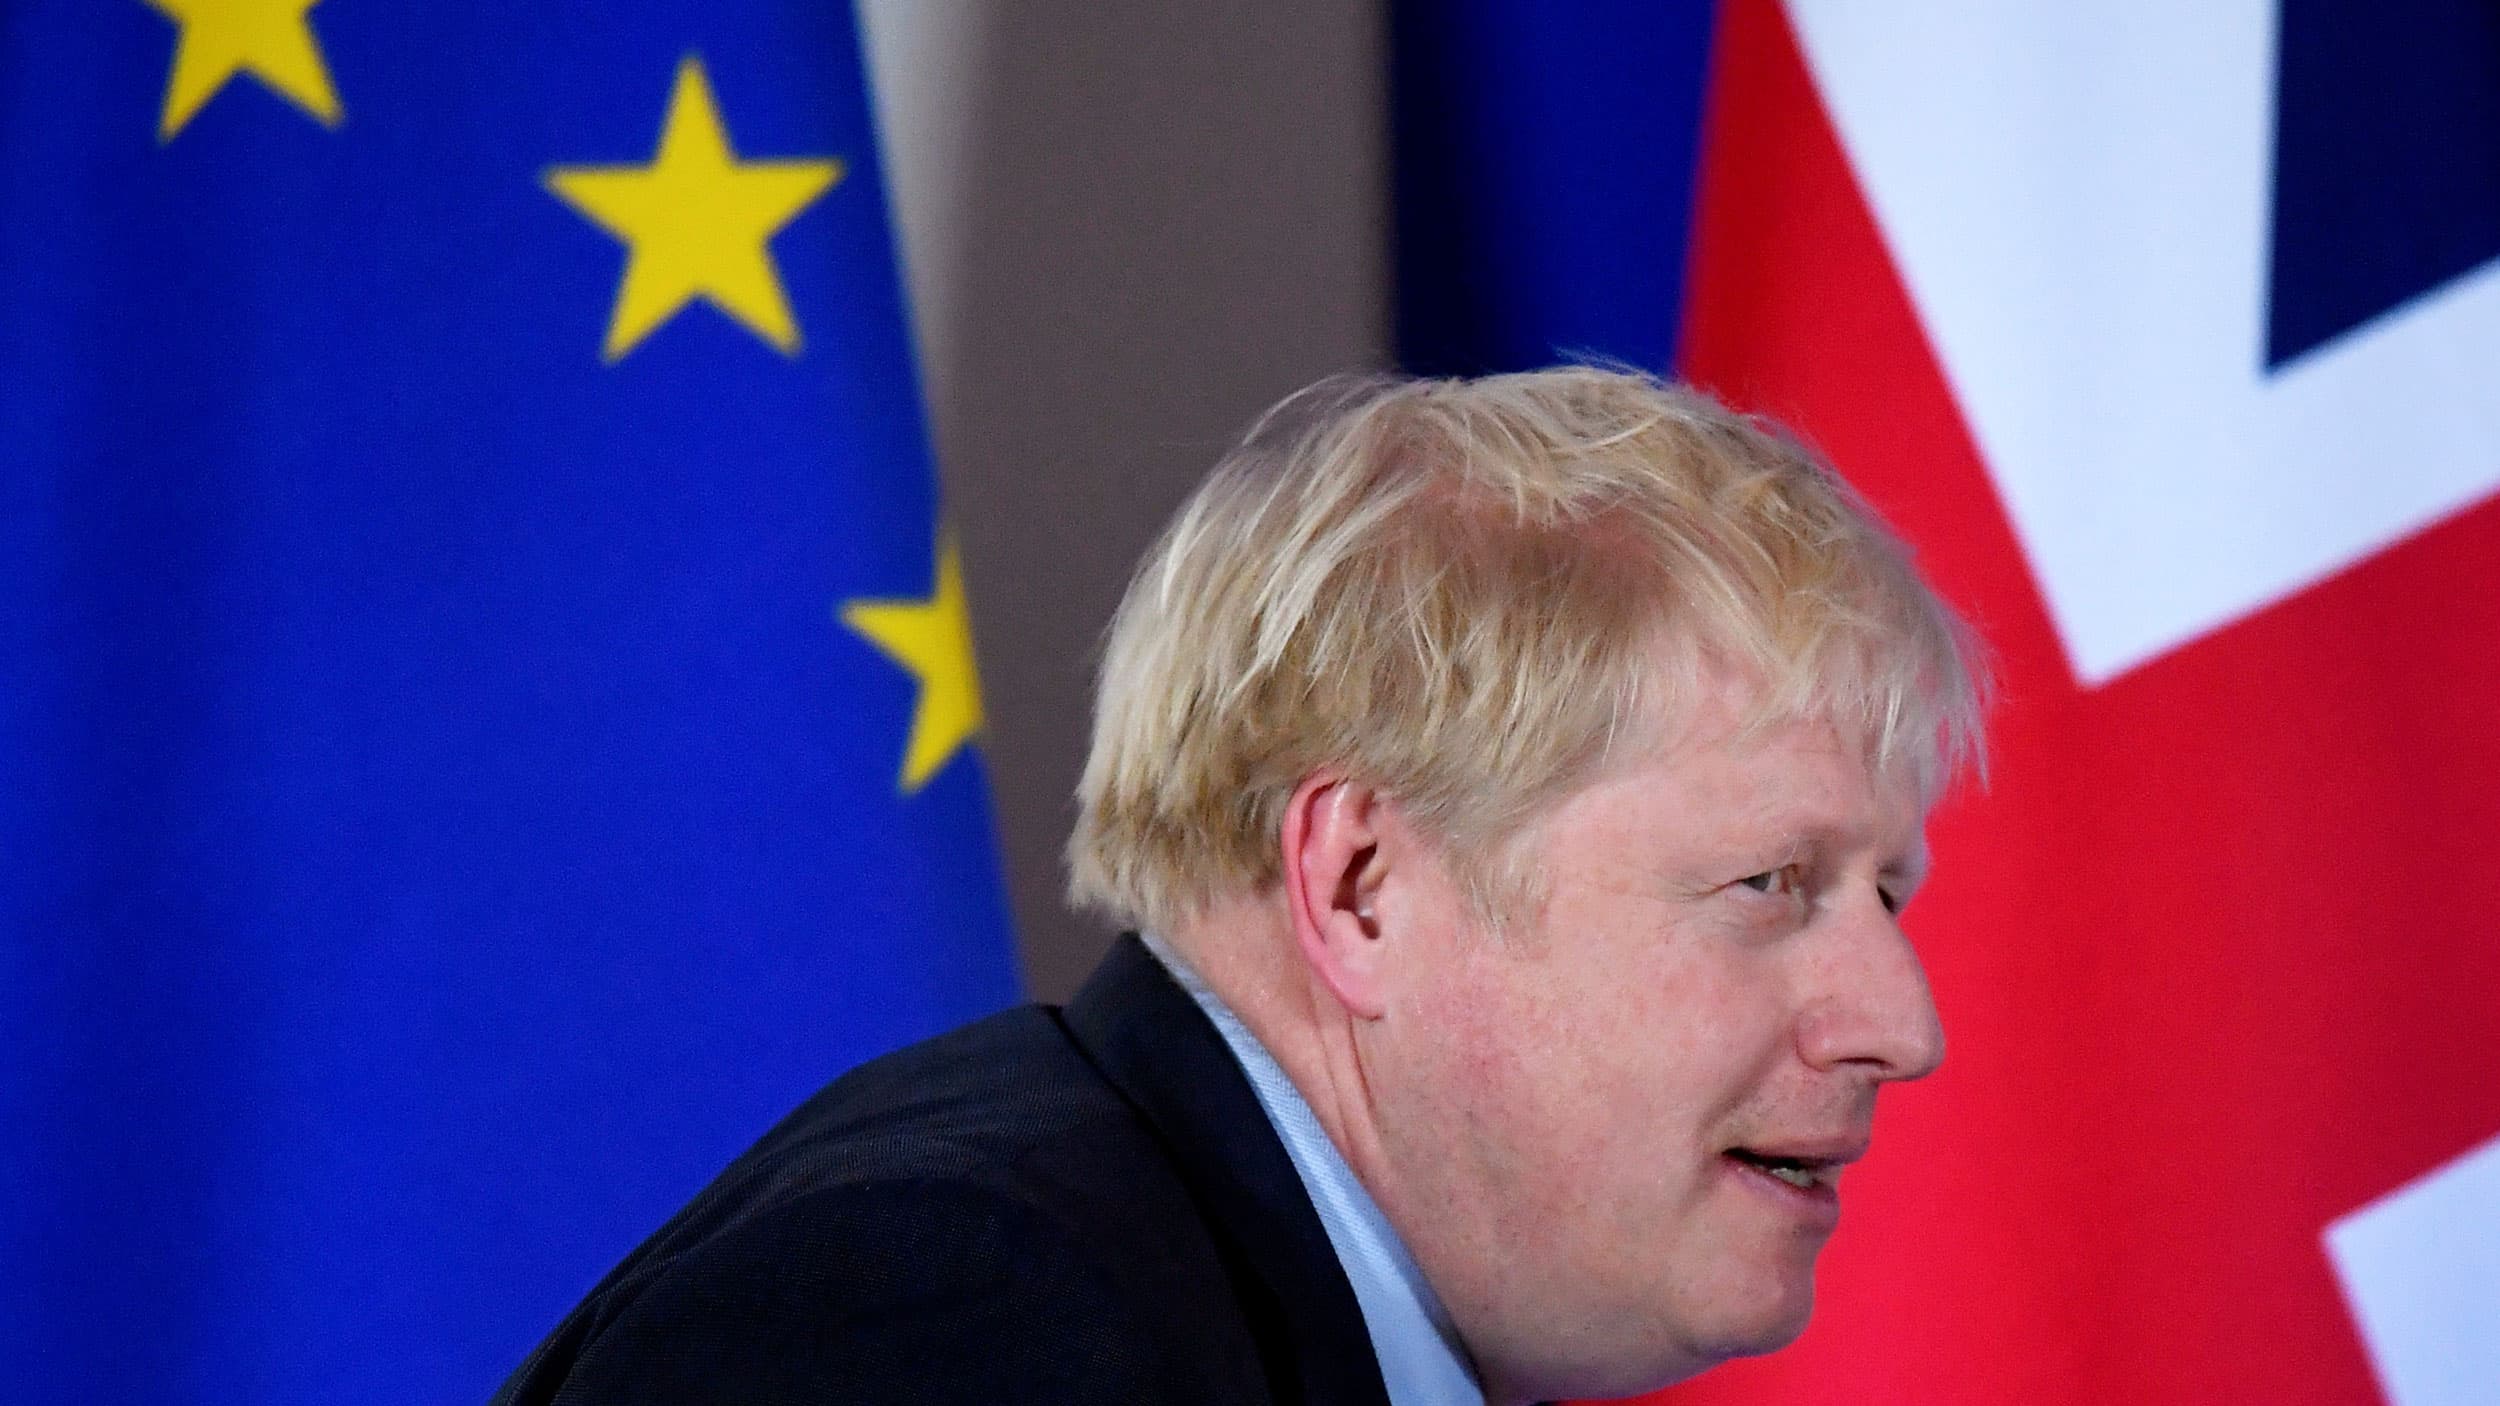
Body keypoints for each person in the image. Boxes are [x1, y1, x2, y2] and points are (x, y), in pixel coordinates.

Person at [491, 366, 1987, 1405]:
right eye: (1771, 881)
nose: (1899, 1023)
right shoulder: (955, 1323)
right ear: (1361, 887)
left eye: (1888, 894)